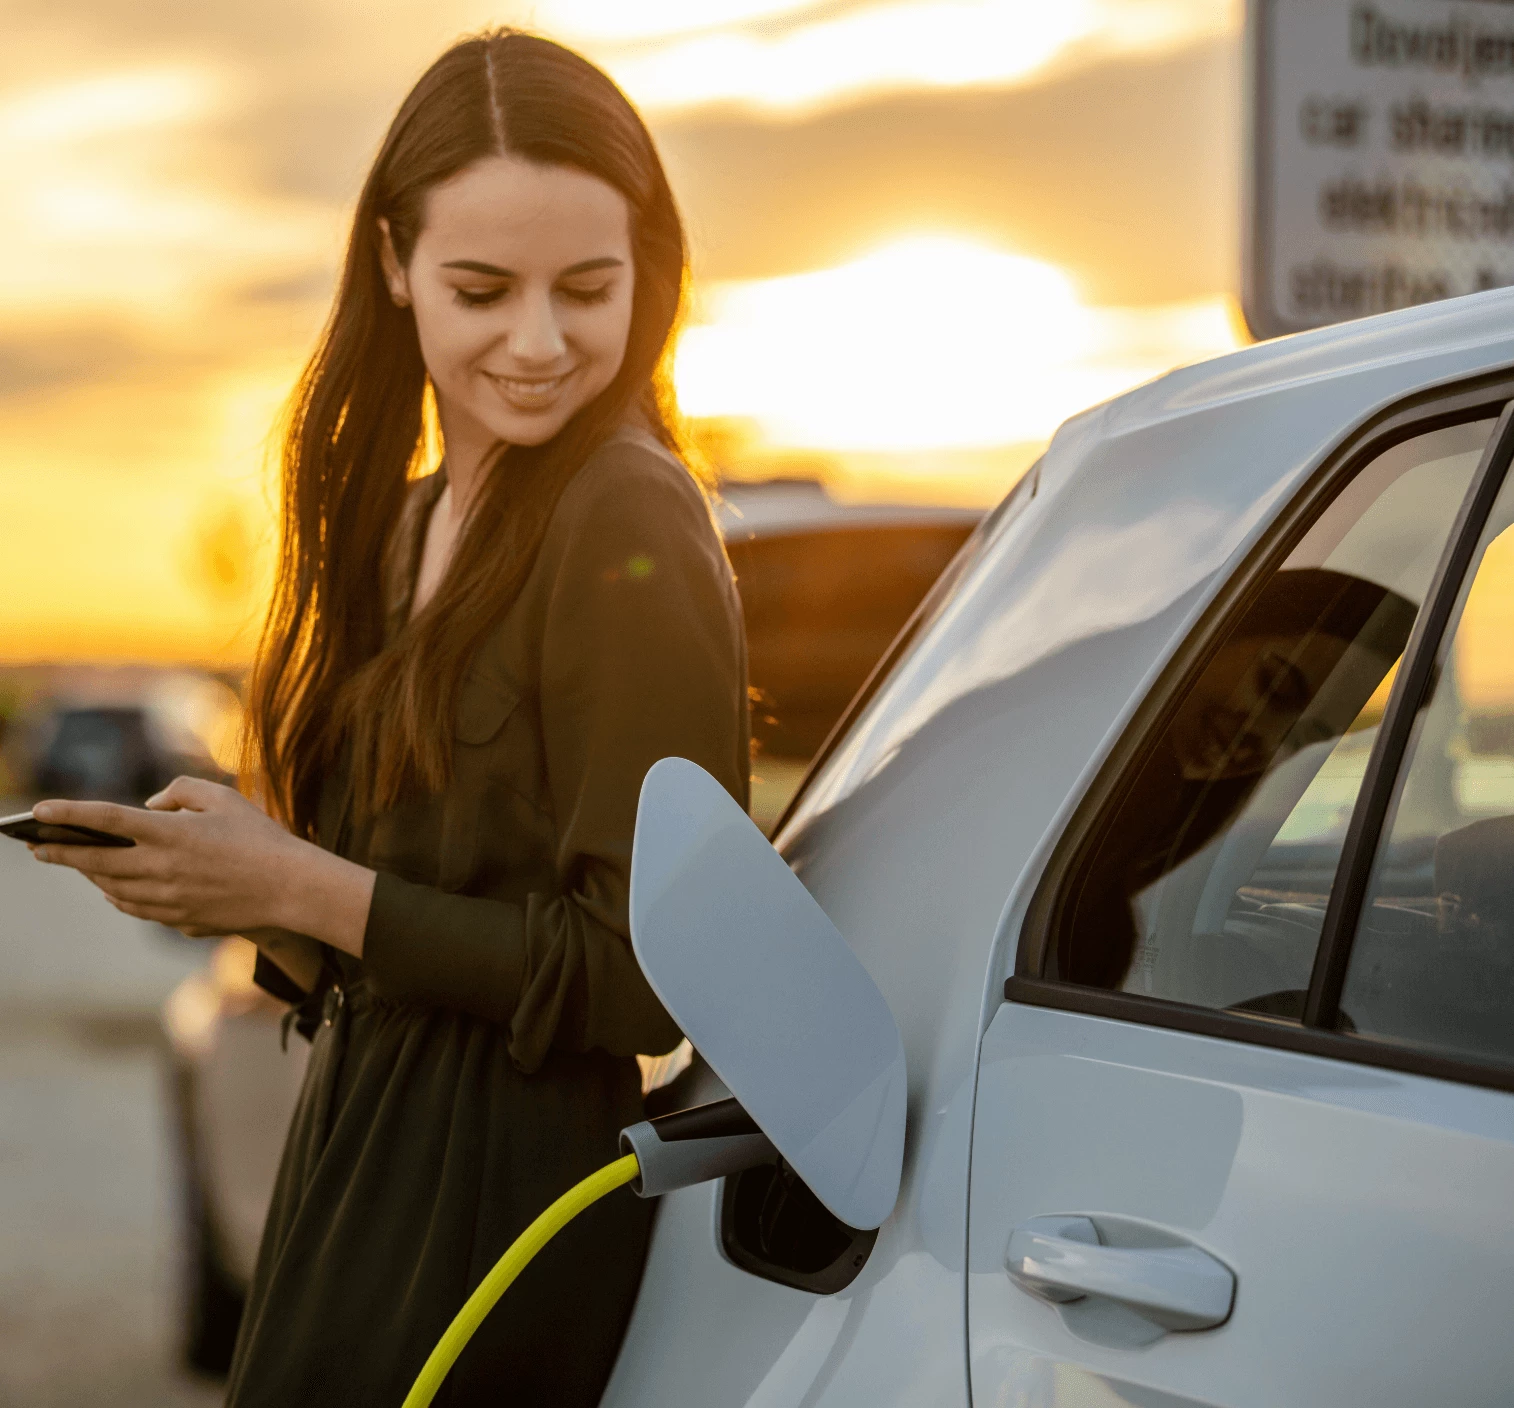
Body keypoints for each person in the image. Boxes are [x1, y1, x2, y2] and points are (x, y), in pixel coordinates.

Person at [28, 29, 749, 1406]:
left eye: (586, 289)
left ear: (642, 279)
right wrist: (237, 888)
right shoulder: (412, 520)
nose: (538, 343)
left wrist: (306, 884)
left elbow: (640, 976)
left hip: (505, 1199)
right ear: (391, 265)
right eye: (482, 288)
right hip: (359, 1148)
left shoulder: (622, 514)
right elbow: (409, 908)